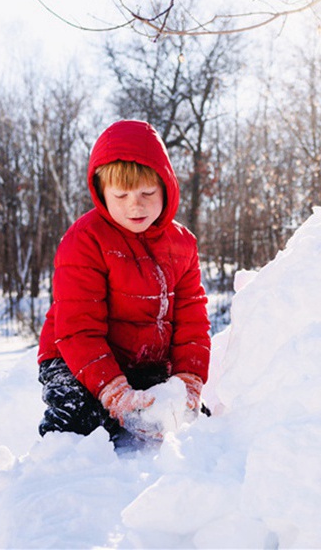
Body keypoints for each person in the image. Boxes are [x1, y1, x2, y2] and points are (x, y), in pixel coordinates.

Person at [36, 120, 211, 450]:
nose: (136, 205)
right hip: (74, 358)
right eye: (121, 195)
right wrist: (115, 392)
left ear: (166, 188)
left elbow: (193, 323)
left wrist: (188, 380)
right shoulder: (85, 240)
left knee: (188, 421)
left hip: (143, 363)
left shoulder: (182, 245)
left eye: (147, 193)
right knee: (81, 419)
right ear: (102, 193)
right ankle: (60, 461)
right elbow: (78, 328)